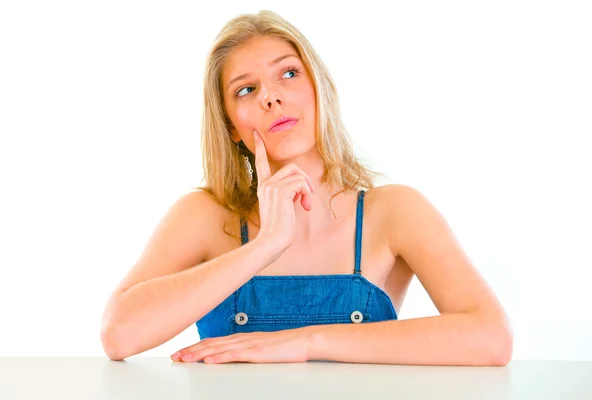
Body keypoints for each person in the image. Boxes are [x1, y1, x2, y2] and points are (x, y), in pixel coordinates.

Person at [100, 10, 513, 366]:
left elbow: (491, 337)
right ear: (230, 126)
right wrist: (266, 244)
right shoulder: (204, 214)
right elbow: (119, 335)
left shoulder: (396, 211)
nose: (272, 97)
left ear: (319, 87)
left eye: (289, 73)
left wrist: (303, 342)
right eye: (247, 89)